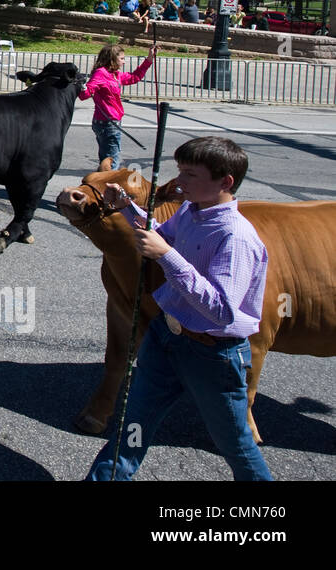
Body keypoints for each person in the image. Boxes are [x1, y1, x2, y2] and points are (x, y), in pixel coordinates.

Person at [85, 136, 272, 482]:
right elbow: (160, 235)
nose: (179, 181)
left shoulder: (236, 237)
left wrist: (165, 256)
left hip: (211, 353)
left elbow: (221, 309)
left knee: (235, 444)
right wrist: (127, 207)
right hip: (165, 335)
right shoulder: (190, 209)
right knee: (133, 425)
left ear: (225, 182)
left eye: (190, 174)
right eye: (180, 171)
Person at [78, 42, 155, 172]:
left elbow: (134, 77)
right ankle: (107, 187)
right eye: (122, 58)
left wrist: (149, 59)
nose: (124, 62)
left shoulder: (115, 74)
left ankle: (101, 185)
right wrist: (81, 84)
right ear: (112, 59)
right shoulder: (101, 74)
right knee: (112, 163)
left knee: (106, 161)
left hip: (111, 122)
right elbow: (84, 94)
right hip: (107, 123)